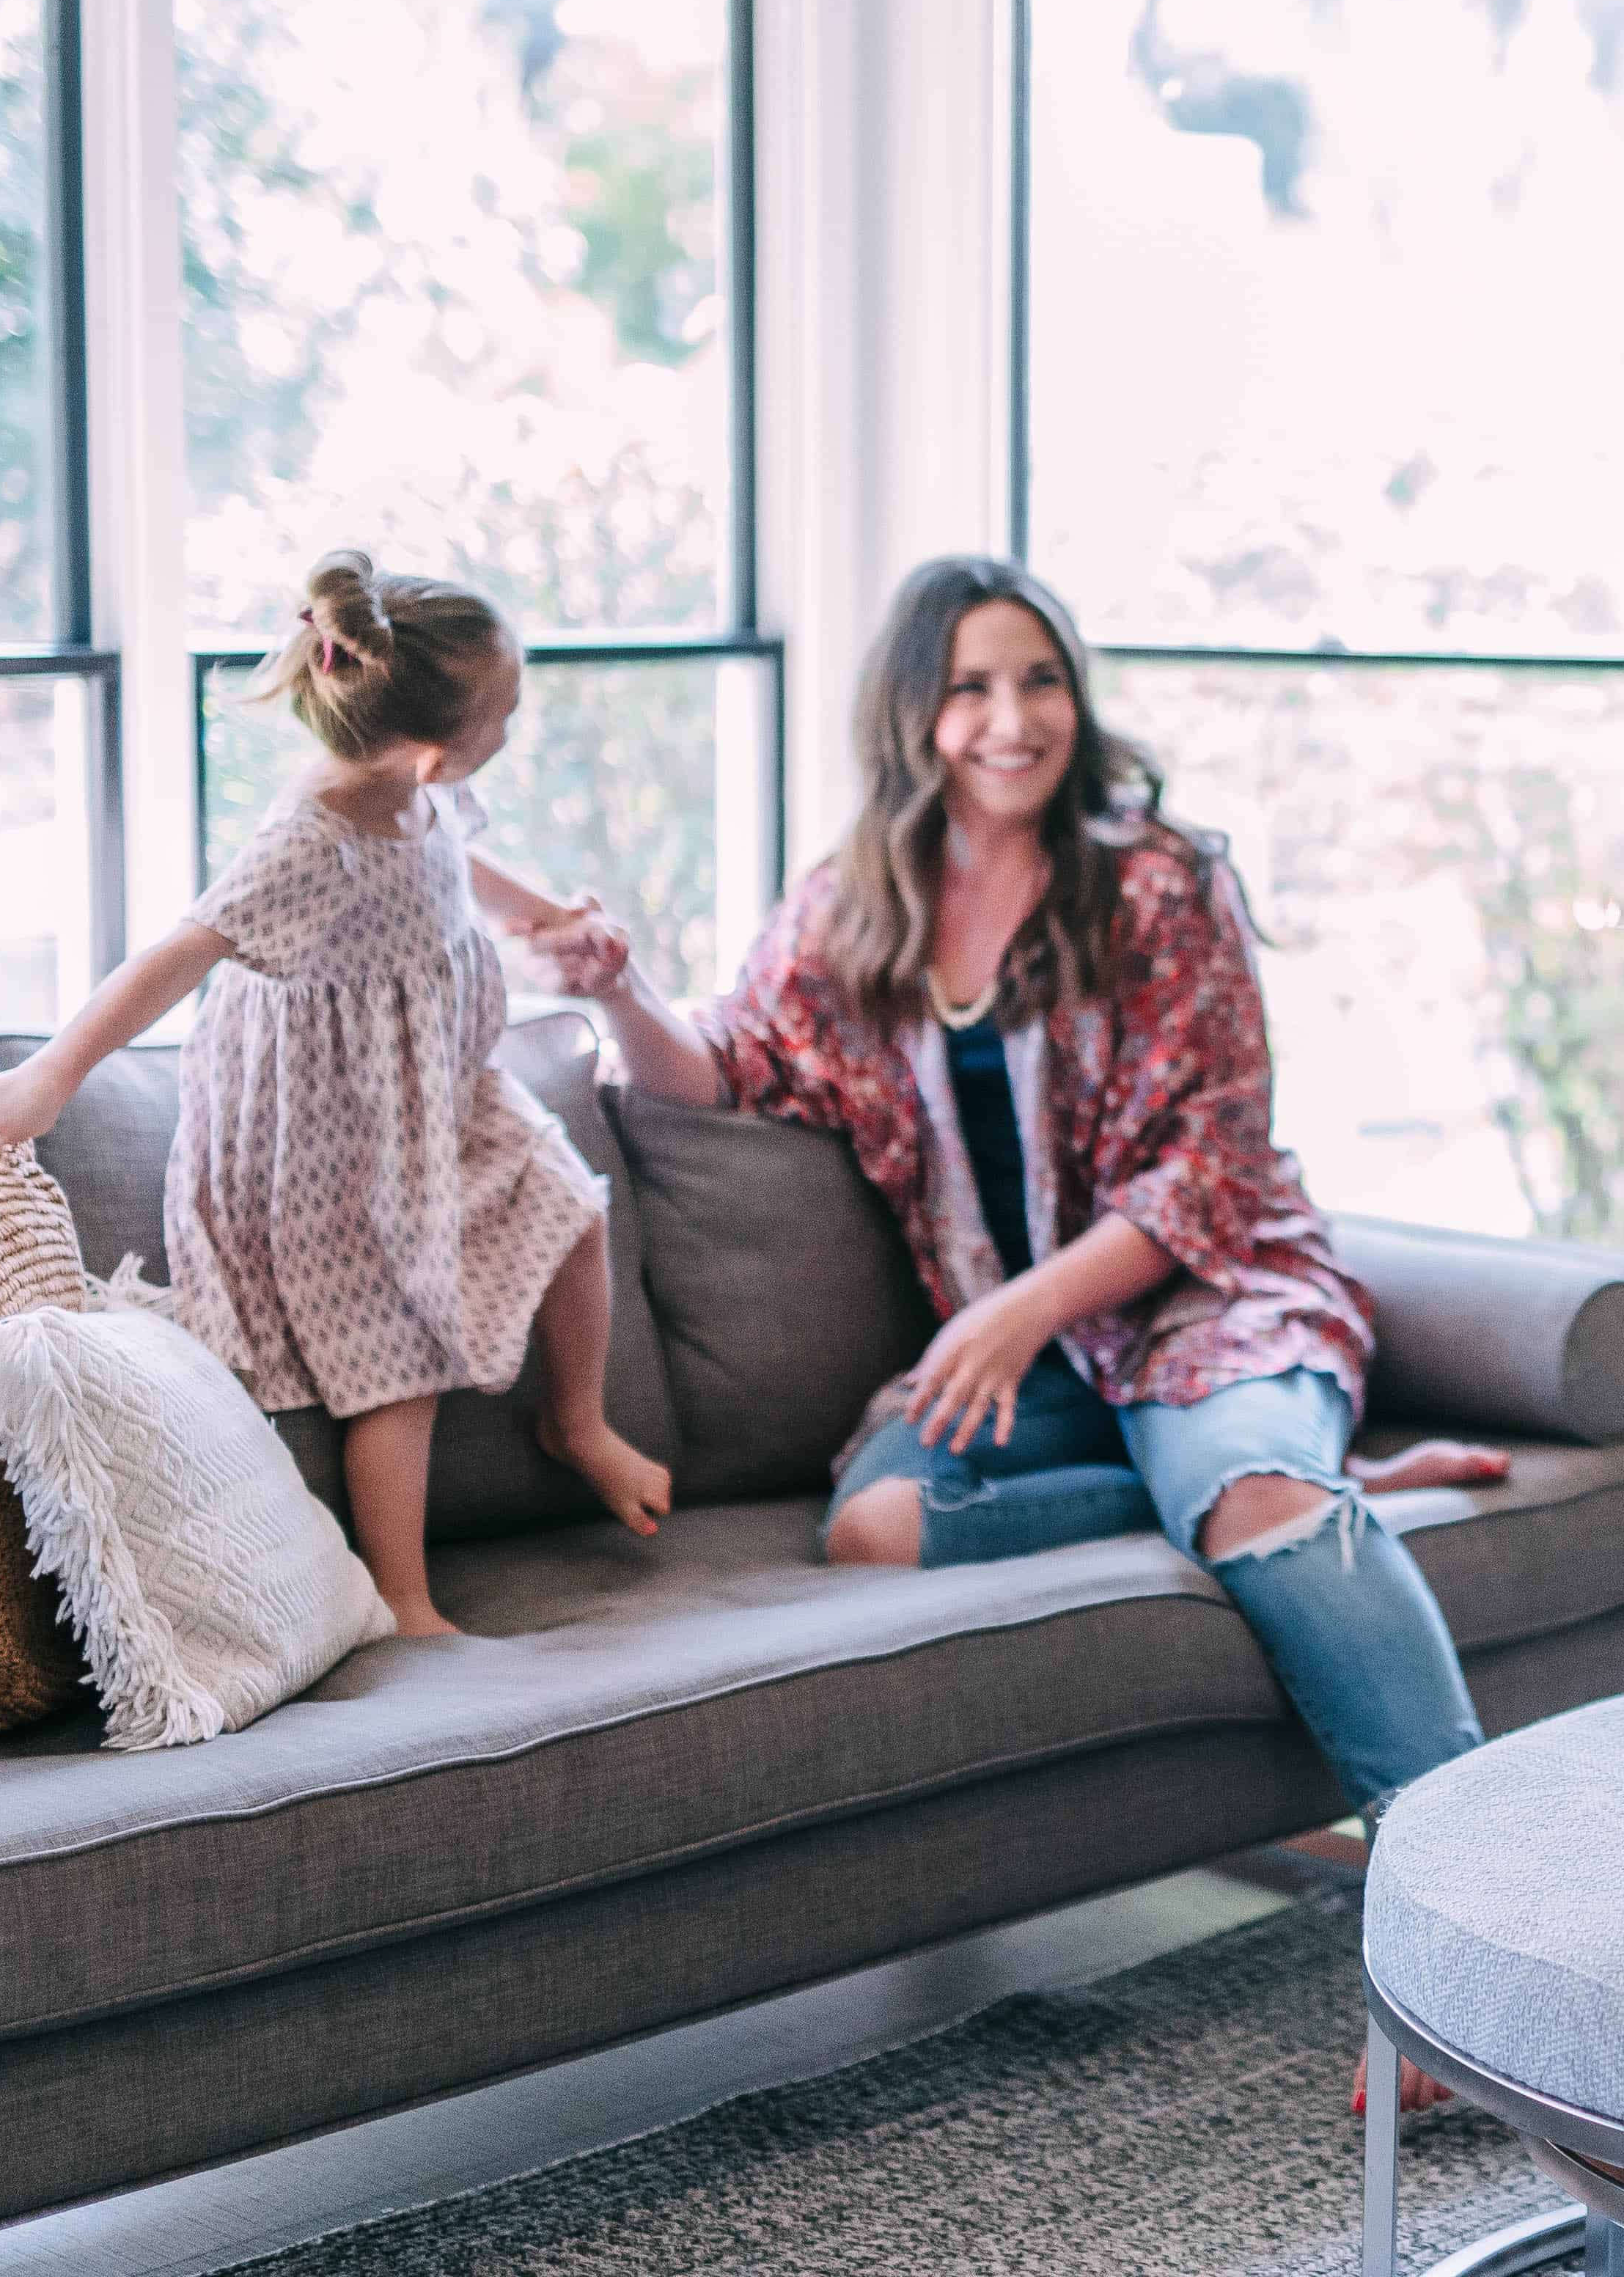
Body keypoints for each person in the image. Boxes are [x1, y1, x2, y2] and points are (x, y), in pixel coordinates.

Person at [552, 555, 1505, 2105]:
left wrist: (1012, 1308)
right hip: (1043, 1355)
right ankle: (1306, 1490)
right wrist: (620, 994)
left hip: (1208, 1294)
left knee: (1247, 1481)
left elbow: (1214, 1157)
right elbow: (723, 1071)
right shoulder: (853, 906)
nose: (1013, 718)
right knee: (876, 1522)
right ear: (917, 714)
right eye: (973, 686)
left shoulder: (1161, 880)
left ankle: (1471, 1950)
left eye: (1039, 678)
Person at [0, 549, 672, 1638]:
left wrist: (551, 922)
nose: (512, 727)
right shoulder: (313, 838)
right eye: (507, 712)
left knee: (572, 1203)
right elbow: (177, 954)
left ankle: (576, 1422)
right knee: (398, 1361)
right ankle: (404, 1597)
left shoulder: (425, 789)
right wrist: (50, 1075)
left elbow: (470, 867)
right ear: (441, 743)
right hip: (333, 1132)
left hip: (444, 1083)